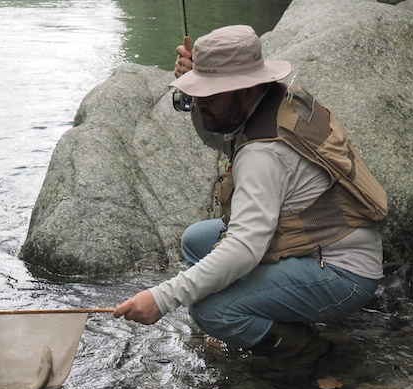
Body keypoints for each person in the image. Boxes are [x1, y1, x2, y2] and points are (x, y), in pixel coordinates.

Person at [112, 25, 387, 367]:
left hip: (343, 271)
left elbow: (244, 247)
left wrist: (162, 298)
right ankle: (266, 307)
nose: (199, 103)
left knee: (211, 310)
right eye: (198, 94)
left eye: (209, 95)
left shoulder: (264, 154)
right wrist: (195, 87)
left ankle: (315, 353)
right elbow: (221, 134)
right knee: (196, 241)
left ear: (245, 89)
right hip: (321, 240)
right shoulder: (276, 99)